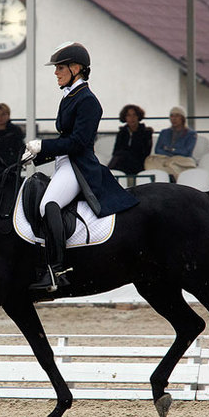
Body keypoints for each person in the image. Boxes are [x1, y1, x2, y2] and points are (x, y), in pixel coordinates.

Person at [22, 42, 139, 292]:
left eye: (60, 67)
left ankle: (57, 270)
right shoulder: (70, 96)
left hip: (79, 166)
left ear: (76, 68)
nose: (56, 72)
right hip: (64, 163)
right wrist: (36, 156)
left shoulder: (87, 100)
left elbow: (78, 142)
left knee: (48, 205)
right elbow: (66, 140)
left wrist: (43, 146)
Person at [143, 106, 198, 180]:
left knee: (179, 163)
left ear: (182, 118)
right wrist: (172, 152)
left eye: (177, 116)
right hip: (164, 159)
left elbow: (186, 152)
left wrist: (170, 149)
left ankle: (170, 175)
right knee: (150, 161)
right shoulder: (164, 132)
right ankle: (171, 174)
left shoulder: (191, 134)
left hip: (181, 160)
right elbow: (158, 150)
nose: (174, 119)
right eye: (172, 116)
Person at [107, 103, 153, 175]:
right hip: (122, 162)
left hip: (138, 163)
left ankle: (107, 172)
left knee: (121, 156)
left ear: (138, 116)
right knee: (120, 157)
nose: (132, 118)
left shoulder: (146, 132)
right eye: (128, 115)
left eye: (134, 115)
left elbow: (145, 152)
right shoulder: (122, 132)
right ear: (125, 118)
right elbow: (115, 151)